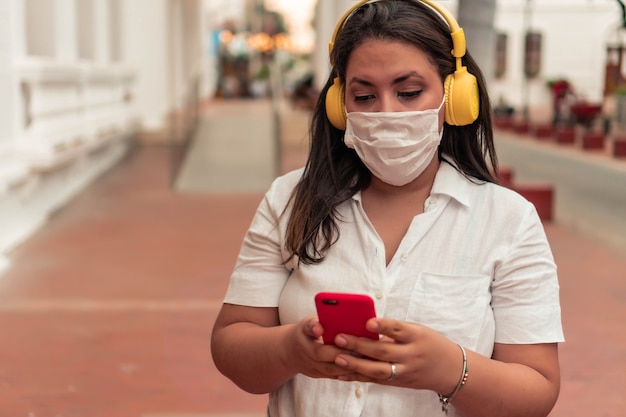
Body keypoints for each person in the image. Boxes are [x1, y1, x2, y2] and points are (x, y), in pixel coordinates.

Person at [211, 1, 564, 416]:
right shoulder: (290, 200)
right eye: (364, 95)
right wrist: (291, 350)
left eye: (409, 92)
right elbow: (231, 343)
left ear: (455, 97)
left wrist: (450, 368)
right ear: (341, 106)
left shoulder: (508, 220)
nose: (388, 112)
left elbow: (538, 389)